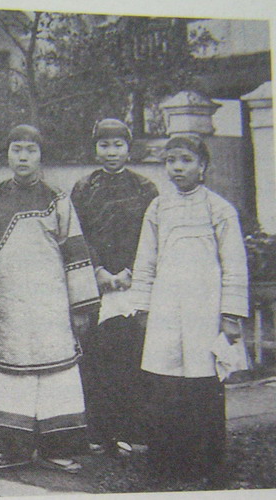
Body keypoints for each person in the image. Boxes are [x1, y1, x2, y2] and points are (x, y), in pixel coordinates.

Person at [0, 125, 99, 473]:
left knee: (58, 374)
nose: (23, 157)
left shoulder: (58, 199)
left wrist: (81, 305)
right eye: (16, 149)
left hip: (52, 303)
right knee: (12, 374)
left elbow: (76, 252)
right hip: (10, 304)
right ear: (7, 155)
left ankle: (58, 448)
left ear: (41, 155)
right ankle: (13, 450)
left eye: (31, 150)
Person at [130, 134, 248, 486]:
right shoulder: (158, 208)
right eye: (171, 160)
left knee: (203, 385)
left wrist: (230, 315)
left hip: (205, 312)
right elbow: (146, 260)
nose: (177, 167)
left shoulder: (220, 209)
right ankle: (166, 462)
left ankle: (206, 464)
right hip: (166, 310)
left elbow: (235, 265)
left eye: (185, 160)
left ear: (203, 166)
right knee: (165, 386)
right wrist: (143, 305)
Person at [70, 119, 159, 456]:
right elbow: (76, 234)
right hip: (96, 286)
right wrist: (98, 271)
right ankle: (96, 432)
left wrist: (131, 272)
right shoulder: (83, 189)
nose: (111, 152)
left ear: (128, 147)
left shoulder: (145, 189)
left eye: (118, 145)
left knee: (129, 357)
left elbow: (151, 236)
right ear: (95, 148)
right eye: (104, 145)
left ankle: (127, 431)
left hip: (133, 285)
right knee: (95, 359)